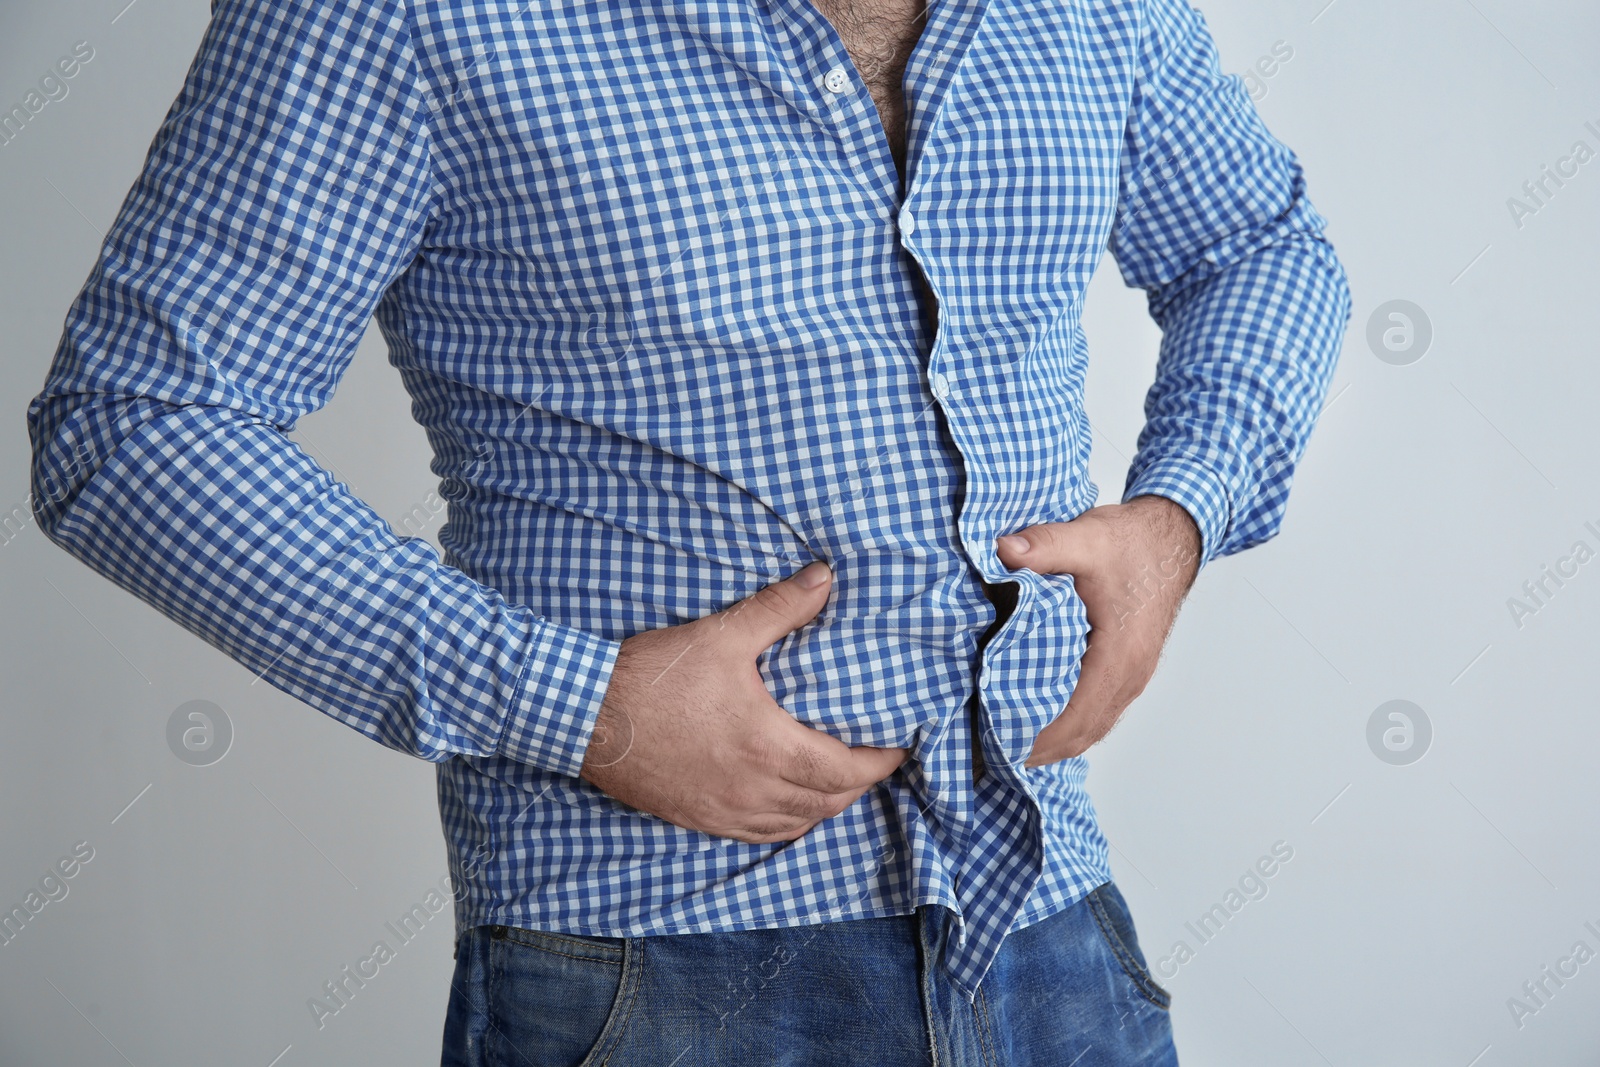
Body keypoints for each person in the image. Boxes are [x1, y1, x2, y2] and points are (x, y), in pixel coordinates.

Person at [25, 0, 1349, 1061]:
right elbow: (135, 420)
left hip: (1050, 933)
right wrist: (578, 706)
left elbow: (1256, 245)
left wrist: (1178, 517)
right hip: (656, 973)